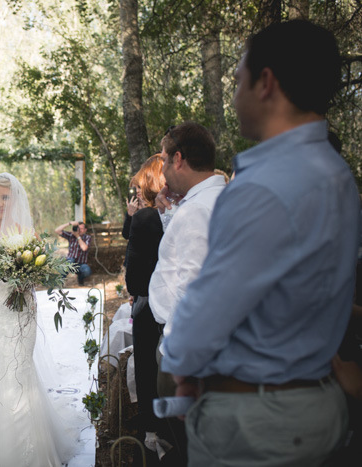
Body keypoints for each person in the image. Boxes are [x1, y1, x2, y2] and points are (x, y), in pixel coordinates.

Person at [161, 20, 358, 466]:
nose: (233, 93)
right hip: (314, 403)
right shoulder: (336, 173)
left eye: (238, 79)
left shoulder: (264, 187)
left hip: (258, 423)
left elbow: (209, 308)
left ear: (265, 82)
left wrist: (181, 362)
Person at [0, 173, 79, 466]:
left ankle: (25, 448)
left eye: (4, 197)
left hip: (20, 310)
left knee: (19, 368)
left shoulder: (26, 234)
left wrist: (27, 278)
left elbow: (42, 273)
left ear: (14, 199)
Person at [147, 122, 226, 464]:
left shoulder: (197, 210)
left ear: (179, 159)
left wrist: (174, 350)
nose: (162, 170)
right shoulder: (214, 198)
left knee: (189, 446)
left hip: (183, 350)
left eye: (164, 160)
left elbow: (192, 291)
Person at [123, 154, 166, 459]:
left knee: (148, 367)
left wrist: (134, 291)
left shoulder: (145, 218)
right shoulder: (171, 213)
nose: (137, 191)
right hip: (172, 303)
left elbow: (134, 274)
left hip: (149, 302)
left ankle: (151, 433)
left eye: (140, 185)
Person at [54, 220, 92, 285]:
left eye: (81, 229)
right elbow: (57, 230)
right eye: (78, 228)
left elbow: (84, 248)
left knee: (87, 271)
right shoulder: (71, 235)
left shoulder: (87, 238)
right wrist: (69, 223)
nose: (79, 230)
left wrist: (77, 236)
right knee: (69, 261)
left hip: (81, 264)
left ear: (85, 230)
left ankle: (80, 279)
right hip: (70, 263)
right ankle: (60, 283)